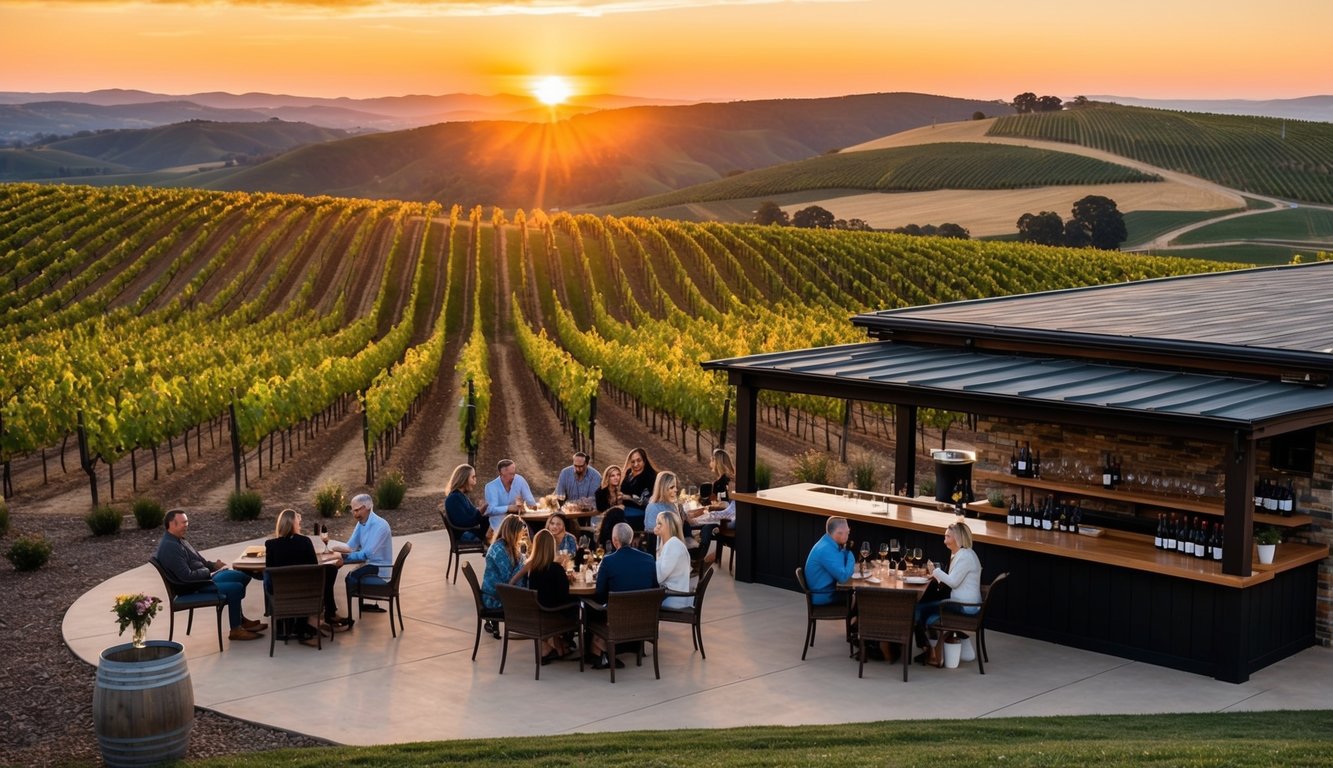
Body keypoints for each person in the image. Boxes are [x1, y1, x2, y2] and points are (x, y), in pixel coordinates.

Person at [154, 509, 267, 641]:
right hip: (193, 588)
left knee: (242, 575)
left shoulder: (179, 540)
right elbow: (186, 576)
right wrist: (207, 571)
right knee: (236, 587)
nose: (186, 525)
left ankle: (240, 619)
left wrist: (213, 566)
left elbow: (200, 560)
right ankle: (236, 630)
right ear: (172, 524)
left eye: (187, 522)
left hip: (203, 580)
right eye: (183, 523)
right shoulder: (170, 547)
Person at [264, 509, 343, 645]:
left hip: (282, 595)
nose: (300, 524)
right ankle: (312, 618)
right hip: (306, 594)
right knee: (329, 570)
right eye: (298, 521)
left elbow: (270, 571)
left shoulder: (271, 545)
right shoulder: (305, 542)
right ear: (294, 523)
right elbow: (314, 568)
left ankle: (298, 623)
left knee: (266, 577)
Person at [588, 522, 657, 669]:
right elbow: (654, 587)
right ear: (631, 539)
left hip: (617, 620)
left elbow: (600, 594)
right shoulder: (649, 559)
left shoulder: (608, 561)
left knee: (589, 607)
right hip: (643, 620)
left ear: (614, 540)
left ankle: (597, 651)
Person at [918, 522, 982, 667]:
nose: (944, 539)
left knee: (921, 609)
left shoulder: (966, 557)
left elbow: (953, 582)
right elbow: (953, 580)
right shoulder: (961, 554)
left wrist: (935, 570)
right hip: (961, 601)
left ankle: (932, 651)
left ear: (958, 538)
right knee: (925, 607)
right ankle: (932, 648)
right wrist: (937, 575)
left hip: (966, 606)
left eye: (948, 536)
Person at [511, 529, 577, 662]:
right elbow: (564, 595)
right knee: (579, 605)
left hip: (538, 610)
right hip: (554, 613)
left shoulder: (533, 568)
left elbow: (514, 582)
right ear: (552, 547)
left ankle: (556, 645)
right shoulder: (556, 569)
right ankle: (562, 642)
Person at [332, 493, 393, 615]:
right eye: (353, 511)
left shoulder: (381, 525)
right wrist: (333, 549)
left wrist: (345, 558)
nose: (355, 514)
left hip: (380, 568)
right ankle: (338, 609)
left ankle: (350, 617)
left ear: (367, 507)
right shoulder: (361, 523)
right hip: (370, 565)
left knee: (350, 577)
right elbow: (350, 546)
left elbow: (367, 554)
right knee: (348, 573)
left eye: (357, 510)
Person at [480, 515, 527, 637]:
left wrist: (523, 559)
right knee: (538, 595)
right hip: (495, 599)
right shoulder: (499, 550)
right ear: (513, 532)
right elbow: (508, 582)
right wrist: (526, 565)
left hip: (498, 593)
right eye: (520, 534)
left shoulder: (506, 546)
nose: (521, 537)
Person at [803, 516, 855, 607]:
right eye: (846, 532)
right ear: (838, 533)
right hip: (824, 596)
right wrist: (851, 557)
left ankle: (855, 621)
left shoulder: (828, 542)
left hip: (826, 590)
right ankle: (856, 621)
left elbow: (840, 561)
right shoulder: (826, 549)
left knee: (858, 596)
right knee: (860, 597)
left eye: (848, 532)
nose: (847, 535)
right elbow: (843, 578)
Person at [483, 459, 536, 532]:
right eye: (511, 474)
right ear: (502, 473)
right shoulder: (491, 487)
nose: (514, 477)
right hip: (499, 525)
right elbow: (490, 510)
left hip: (518, 523)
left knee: (535, 529)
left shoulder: (519, 480)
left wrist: (528, 505)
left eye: (514, 473)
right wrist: (508, 508)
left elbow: (531, 502)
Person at [654, 510, 691, 610]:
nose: (656, 526)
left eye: (660, 523)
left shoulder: (673, 545)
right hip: (669, 594)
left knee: (637, 599)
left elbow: (659, 577)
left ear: (669, 527)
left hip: (673, 598)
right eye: (657, 522)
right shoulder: (668, 544)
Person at [444, 463, 489, 542]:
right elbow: (465, 521)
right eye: (473, 477)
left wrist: (480, 510)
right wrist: (480, 511)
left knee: (497, 526)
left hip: (467, 531)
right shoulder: (454, 498)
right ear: (463, 479)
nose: (475, 480)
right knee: (499, 532)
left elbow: (470, 514)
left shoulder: (461, 496)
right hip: (465, 534)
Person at [618, 448, 658, 531]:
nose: (636, 464)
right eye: (633, 462)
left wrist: (629, 497)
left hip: (641, 513)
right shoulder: (629, 473)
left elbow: (647, 501)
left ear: (644, 460)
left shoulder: (650, 477)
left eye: (638, 460)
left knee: (615, 519)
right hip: (624, 509)